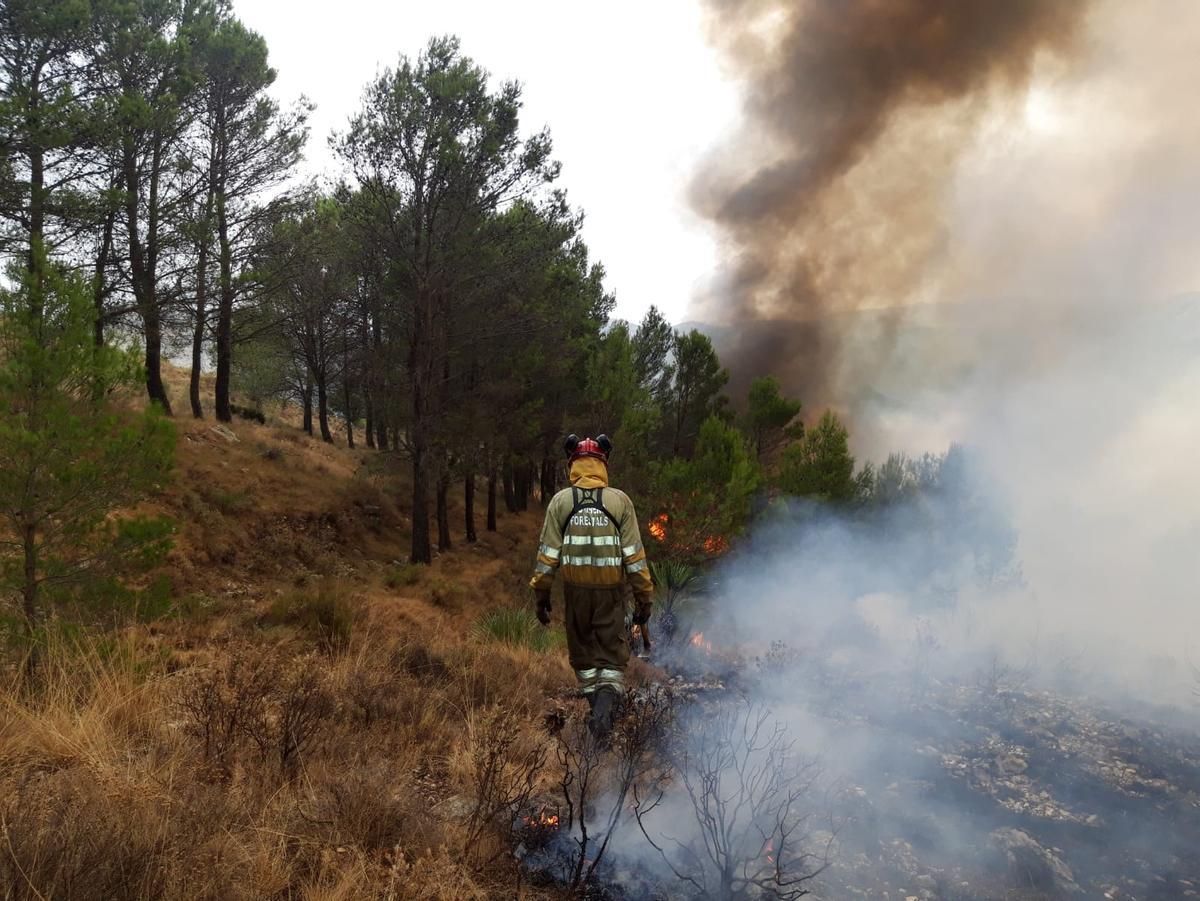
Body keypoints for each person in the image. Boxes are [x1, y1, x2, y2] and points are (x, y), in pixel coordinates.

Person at [530, 433, 654, 740]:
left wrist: (541, 596)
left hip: (576, 595)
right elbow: (635, 558)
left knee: (583, 658)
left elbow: (547, 556)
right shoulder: (619, 501)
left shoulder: (560, 502)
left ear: (572, 464)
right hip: (611, 595)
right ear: (603, 464)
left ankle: (597, 710)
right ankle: (603, 714)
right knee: (611, 659)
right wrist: (644, 598)